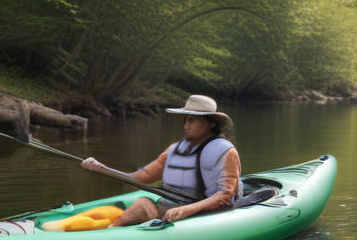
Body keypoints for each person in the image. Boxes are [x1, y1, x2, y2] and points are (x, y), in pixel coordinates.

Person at [81, 95, 242, 226]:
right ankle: (111, 231)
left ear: (211, 123)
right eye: (184, 120)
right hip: (174, 206)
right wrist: (100, 168)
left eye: (192, 120)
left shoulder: (225, 151)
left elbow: (225, 196)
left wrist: (187, 210)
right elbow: (140, 177)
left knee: (144, 208)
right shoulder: (175, 149)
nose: (186, 125)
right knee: (141, 205)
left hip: (209, 213)